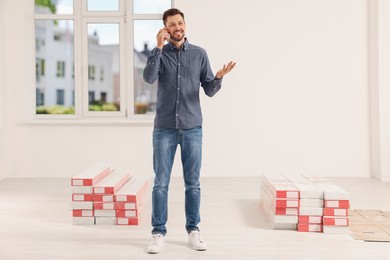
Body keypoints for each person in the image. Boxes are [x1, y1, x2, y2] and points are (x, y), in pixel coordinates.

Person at [143, 8, 236, 254]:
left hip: (192, 127)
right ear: (165, 28)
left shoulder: (199, 54)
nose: (178, 27)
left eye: (180, 23)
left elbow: (209, 90)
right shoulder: (160, 55)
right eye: (172, 24)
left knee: (192, 184)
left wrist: (217, 77)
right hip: (164, 128)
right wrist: (158, 47)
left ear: (185, 25)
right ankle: (158, 233)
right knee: (160, 184)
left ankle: (193, 231)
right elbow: (149, 78)